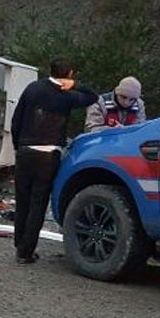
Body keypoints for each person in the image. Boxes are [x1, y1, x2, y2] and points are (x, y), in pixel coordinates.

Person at [9, 58, 99, 264]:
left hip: (25, 150)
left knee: (22, 199)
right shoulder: (67, 96)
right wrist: (75, 86)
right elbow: (93, 96)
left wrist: (18, 145)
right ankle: (26, 251)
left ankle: (18, 243)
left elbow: (16, 119)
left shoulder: (32, 88)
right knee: (38, 203)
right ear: (69, 74)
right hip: (49, 154)